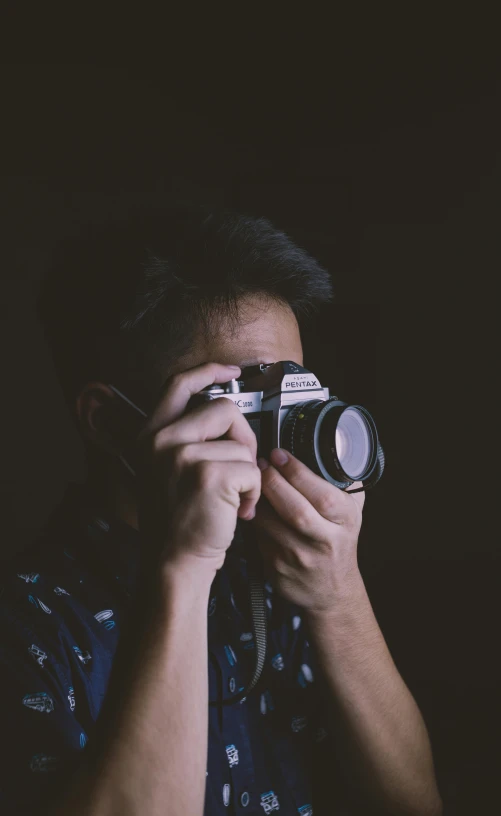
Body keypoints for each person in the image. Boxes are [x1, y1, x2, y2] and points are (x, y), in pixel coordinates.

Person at [0, 207, 442, 815]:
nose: (281, 430)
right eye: (244, 398)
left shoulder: (279, 569)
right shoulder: (28, 624)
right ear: (108, 420)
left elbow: (415, 803)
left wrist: (339, 596)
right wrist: (181, 569)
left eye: (292, 391)